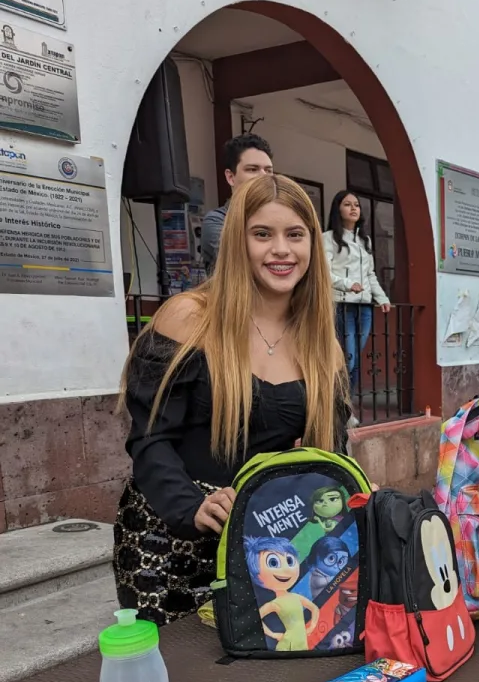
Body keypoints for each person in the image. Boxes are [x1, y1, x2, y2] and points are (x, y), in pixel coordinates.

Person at [114, 174, 349, 626]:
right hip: (171, 543)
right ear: (237, 242)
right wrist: (192, 507)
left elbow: (331, 458)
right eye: (262, 234)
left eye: (295, 235)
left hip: (270, 549)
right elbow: (149, 437)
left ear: (311, 248)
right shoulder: (189, 318)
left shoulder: (325, 347)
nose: (281, 249)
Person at [323, 190, 390, 409]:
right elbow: (324, 272)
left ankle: (344, 406)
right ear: (337, 208)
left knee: (355, 361)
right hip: (343, 305)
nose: (353, 208)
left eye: (357, 205)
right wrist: (347, 284)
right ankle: (336, 404)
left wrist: (381, 298)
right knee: (347, 360)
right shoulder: (329, 238)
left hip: (365, 307)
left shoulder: (365, 240)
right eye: (347, 204)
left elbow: (370, 274)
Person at [200, 133, 274, 271]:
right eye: (253, 169)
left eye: (268, 170)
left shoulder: (281, 217)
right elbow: (243, 266)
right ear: (230, 177)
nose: (263, 177)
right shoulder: (218, 221)